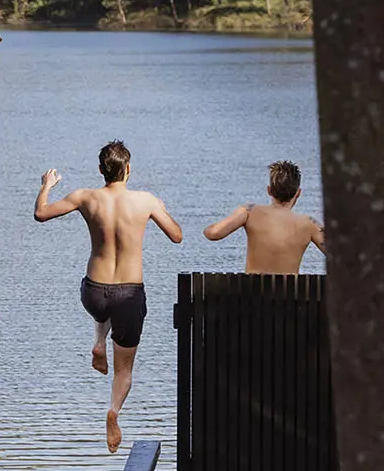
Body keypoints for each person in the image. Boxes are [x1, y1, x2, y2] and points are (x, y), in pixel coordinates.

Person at [34, 139, 183, 453]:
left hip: (94, 292)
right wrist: (163, 211)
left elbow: (41, 214)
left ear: (101, 170)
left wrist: (47, 185)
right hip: (129, 294)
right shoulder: (146, 201)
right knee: (124, 369)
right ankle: (113, 411)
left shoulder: (85, 197)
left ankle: (99, 341)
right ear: (128, 170)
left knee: (102, 309)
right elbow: (177, 236)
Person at [203, 160, 328, 273]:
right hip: (288, 296)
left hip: (252, 296)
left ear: (269, 190)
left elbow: (214, 234)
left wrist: (207, 228)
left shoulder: (249, 212)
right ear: (298, 193)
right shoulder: (309, 224)